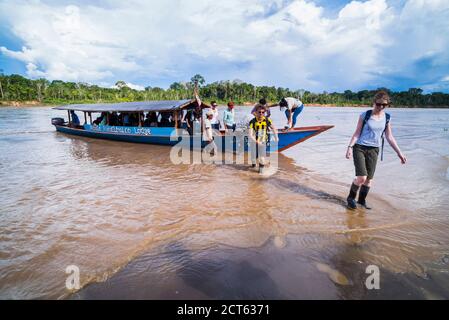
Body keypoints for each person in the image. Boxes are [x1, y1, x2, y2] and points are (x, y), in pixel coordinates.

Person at [345, 90, 407, 210]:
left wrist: (399, 153)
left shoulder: (387, 118)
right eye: (378, 104)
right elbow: (357, 133)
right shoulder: (365, 115)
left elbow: (389, 137)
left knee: (369, 180)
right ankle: (351, 198)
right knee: (362, 177)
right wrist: (349, 147)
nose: (381, 107)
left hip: (374, 149)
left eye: (384, 105)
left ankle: (361, 201)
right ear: (374, 102)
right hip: (360, 148)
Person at [248, 105, 278, 173]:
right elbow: (250, 135)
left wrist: (276, 137)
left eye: (263, 112)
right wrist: (257, 142)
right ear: (255, 112)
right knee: (253, 157)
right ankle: (253, 167)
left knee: (261, 157)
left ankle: (260, 173)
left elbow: (273, 128)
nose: (261, 113)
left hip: (263, 141)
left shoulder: (267, 120)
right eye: (259, 112)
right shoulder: (252, 121)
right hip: (254, 141)